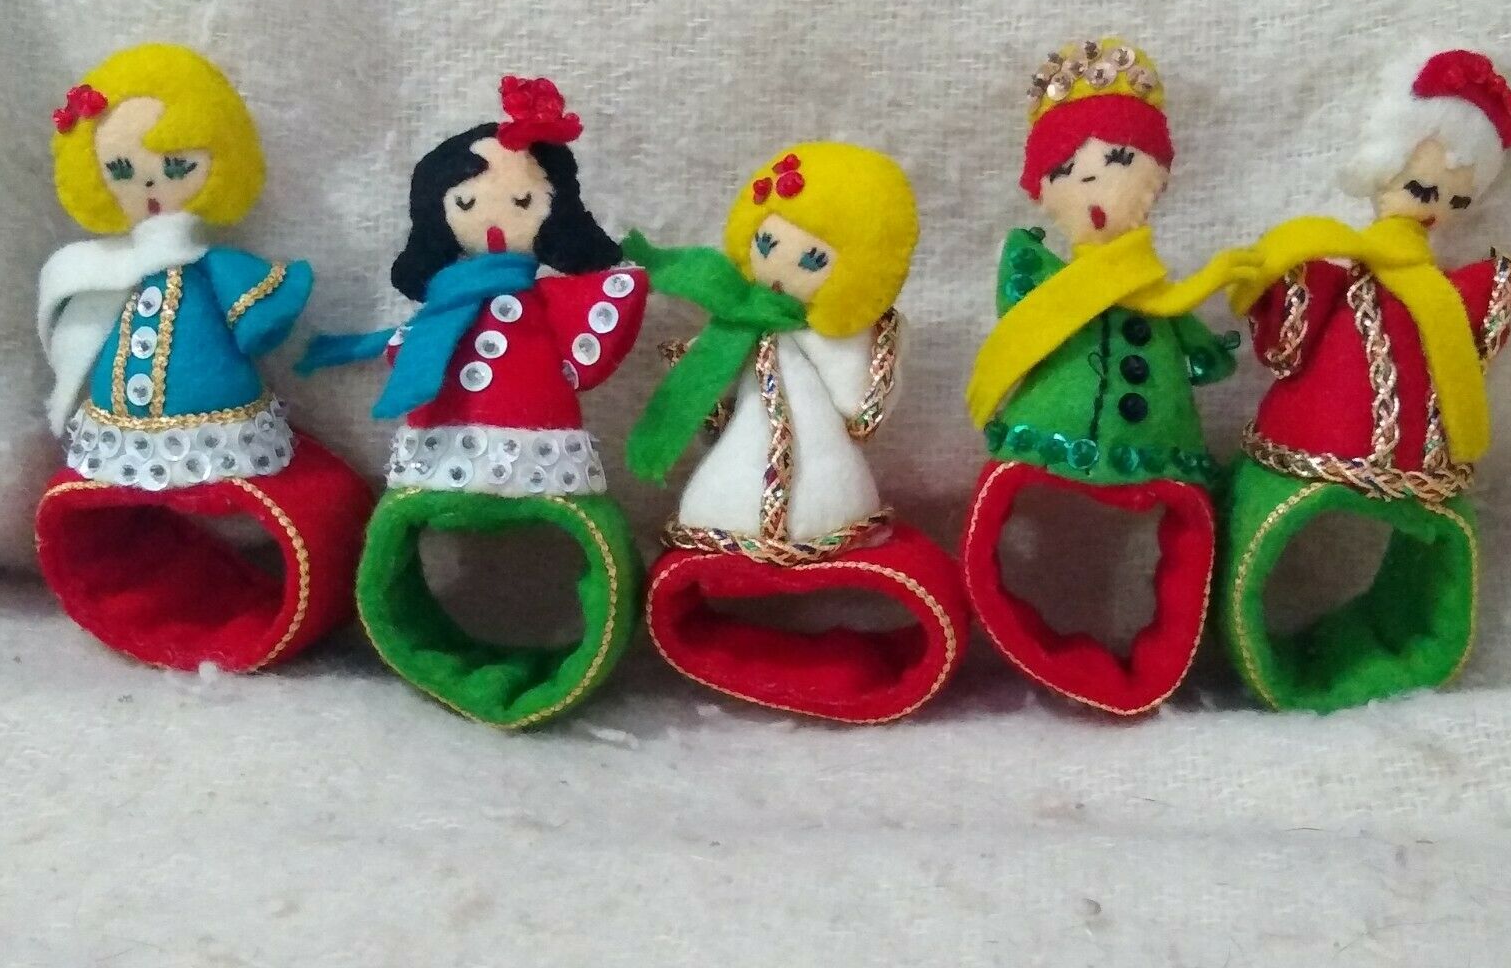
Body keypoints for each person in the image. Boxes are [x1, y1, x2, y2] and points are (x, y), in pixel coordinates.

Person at [300, 77, 646, 728]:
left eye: (522, 201)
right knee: (396, 533)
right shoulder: (441, 309)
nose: (493, 217)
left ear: (554, 210)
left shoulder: (544, 302)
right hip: (442, 445)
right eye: (466, 201)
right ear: (441, 212)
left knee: (592, 538)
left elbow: (599, 323)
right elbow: (415, 347)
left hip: (541, 451)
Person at [35, 44, 371, 672]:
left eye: (175, 164)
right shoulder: (102, 270)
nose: (150, 185)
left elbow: (262, 324)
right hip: (120, 432)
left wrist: (265, 321)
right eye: (123, 170)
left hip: (219, 428)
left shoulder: (212, 266)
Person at [1218, 47, 1511, 712]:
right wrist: (1281, 289)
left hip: (1419, 459)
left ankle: (1405, 642)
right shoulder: (1338, 266)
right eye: (1422, 190)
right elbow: (1287, 341)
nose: (1433, 209)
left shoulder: (1440, 293)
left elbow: (1466, 336)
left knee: (1440, 540)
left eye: (1455, 198)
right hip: (1312, 438)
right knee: (1267, 530)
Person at [624, 143, 968, 723]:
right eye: (767, 244)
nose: (782, 268)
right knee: (732, 469)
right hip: (734, 476)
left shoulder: (829, 339)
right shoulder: (735, 325)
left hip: (828, 489)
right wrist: (697, 367)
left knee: (820, 483)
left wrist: (850, 341)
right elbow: (711, 403)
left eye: (812, 259)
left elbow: (859, 412)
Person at [961, 38, 1243, 717]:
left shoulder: (1151, 285)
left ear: (1157, 174)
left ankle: (1150, 676)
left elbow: (1187, 333)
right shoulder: (1044, 276)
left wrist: (1215, 309)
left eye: (1118, 161)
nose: (1093, 185)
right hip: (1048, 433)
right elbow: (1027, 327)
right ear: (1043, 189)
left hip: (1162, 448)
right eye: (1068, 169)